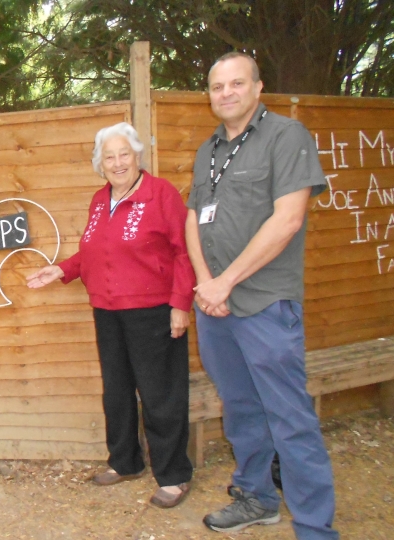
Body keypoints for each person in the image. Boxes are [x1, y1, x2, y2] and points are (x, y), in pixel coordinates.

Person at [186, 52, 338, 539]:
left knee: (289, 418)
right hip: (215, 309)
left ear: (258, 87)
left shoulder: (286, 136)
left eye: (236, 83)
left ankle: (315, 526)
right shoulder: (207, 150)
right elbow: (193, 218)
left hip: (266, 305)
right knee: (242, 410)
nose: (226, 93)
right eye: (217, 86)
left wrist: (225, 283)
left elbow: (288, 219)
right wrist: (207, 285)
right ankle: (257, 498)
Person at [27, 122, 195, 508]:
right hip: (107, 310)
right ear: (99, 164)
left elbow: (183, 252)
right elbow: (94, 252)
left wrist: (180, 304)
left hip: (153, 312)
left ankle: (173, 475)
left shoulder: (161, 194)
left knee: (160, 395)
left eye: (124, 154)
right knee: (117, 393)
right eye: (110, 157)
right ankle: (125, 462)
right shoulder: (100, 200)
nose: (118, 163)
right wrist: (62, 269)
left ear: (137, 156)